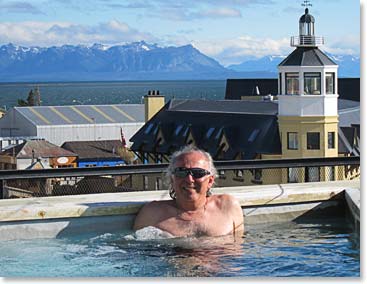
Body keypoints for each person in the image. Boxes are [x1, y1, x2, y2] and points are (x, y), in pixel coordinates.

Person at [133, 145, 244, 237]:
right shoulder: (153, 214)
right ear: (172, 179)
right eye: (181, 172)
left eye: (197, 173)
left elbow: (238, 251)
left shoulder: (227, 207)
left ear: (210, 181)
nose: (189, 179)